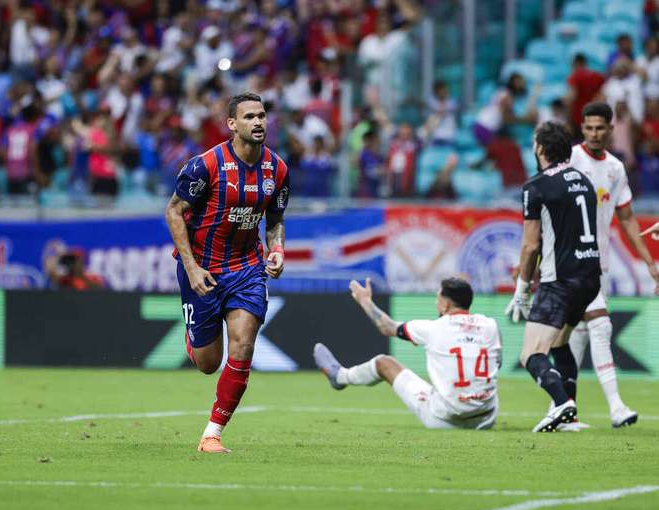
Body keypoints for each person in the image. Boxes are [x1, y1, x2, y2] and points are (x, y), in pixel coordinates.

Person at [164, 92, 289, 453]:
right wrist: (190, 266)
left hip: (247, 268)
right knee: (207, 363)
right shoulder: (205, 165)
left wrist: (277, 250)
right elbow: (174, 212)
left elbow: (275, 222)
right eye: (249, 117)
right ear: (232, 124)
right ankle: (193, 335)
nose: (258, 122)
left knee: (244, 344)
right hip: (202, 266)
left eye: (262, 115)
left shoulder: (277, 170)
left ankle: (212, 433)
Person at [564, 102, 659, 429]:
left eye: (600, 128)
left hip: (598, 263)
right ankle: (616, 407)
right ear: (582, 127)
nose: (593, 134)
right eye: (588, 128)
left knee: (576, 333)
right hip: (569, 261)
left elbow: (627, 218)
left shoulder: (616, 169)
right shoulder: (570, 160)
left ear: (610, 128)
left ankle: (563, 408)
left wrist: (650, 262)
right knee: (601, 325)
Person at [505, 121, 601, 432]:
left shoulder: (536, 186)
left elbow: (531, 244)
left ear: (542, 148)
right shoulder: (583, 180)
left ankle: (561, 403)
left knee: (531, 354)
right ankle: (569, 418)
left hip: (559, 281)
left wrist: (521, 289)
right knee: (560, 344)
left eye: (535, 143)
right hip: (590, 277)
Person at [314, 277, 501, 430]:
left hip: (445, 421)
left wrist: (365, 301)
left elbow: (386, 327)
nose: (436, 304)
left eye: (438, 299)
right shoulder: (490, 326)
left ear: (445, 304)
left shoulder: (433, 328)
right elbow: (496, 364)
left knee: (383, 363)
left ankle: (340, 377)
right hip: (485, 420)